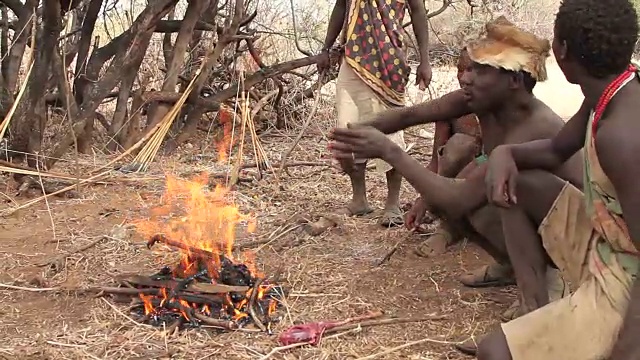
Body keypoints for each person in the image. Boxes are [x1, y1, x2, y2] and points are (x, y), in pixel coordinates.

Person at [328, 16, 579, 322]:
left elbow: (457, 199)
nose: (466, 78)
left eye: (480, 70)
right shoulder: (481, 101)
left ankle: (549, 282)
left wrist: (388, 150)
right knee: (450, 196)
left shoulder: (536, 126)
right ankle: (511, 266)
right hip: (536, 219)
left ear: (514, 81)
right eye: (468, 69)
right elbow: (407, 116)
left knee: (459, 196)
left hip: (573, 238)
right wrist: (350, 134)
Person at [472, 0, 640, 359]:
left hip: (628, 280)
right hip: (610, 244)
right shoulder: (612, 91)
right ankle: (536, 312)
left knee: (494, 353)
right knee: (525, 183)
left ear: (562, 51)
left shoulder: (619, 137)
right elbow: (554, 150)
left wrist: (625, 349)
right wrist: (507, 153)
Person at [317, 0, 432, 227]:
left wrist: (425, 60)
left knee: (390, 132)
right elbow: (341, 6)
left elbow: (418, 10)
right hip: (352, 59)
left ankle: (393, 203)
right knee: (349, 128)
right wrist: (325, 48)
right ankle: (359, 199)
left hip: (389, 62)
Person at [410, 48, 483, 259]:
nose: (464, 77)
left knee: (467, 147)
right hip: (457, 190)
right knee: (457, 147)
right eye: (460, 69)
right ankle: (449, 225)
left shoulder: (503, 107)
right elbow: (436, 162)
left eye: (472, 70)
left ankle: (453, 229)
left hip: (489, 184)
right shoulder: (450, 107)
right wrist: (424, 199)